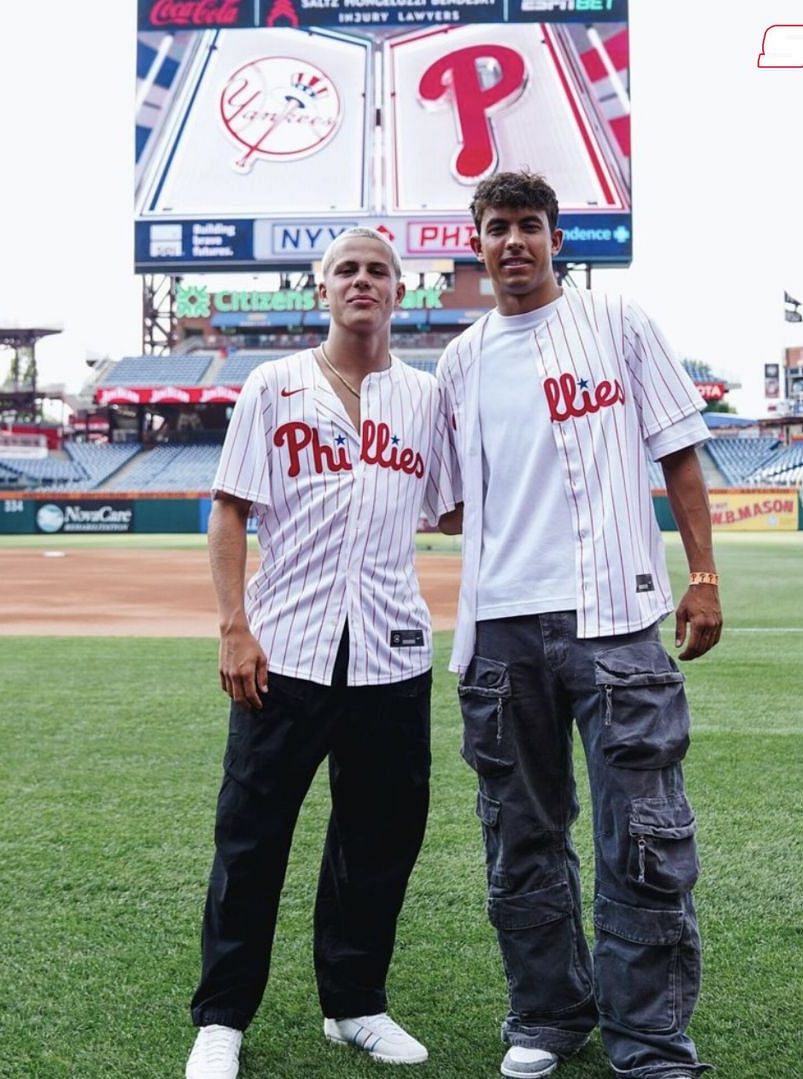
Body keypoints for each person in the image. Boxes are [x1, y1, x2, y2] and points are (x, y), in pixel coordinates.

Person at [433, 170, 719, 1079]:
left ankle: (649, 1037)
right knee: (519, 833)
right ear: (475, 245)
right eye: (495, 229)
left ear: (556, 237)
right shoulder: (460, 361)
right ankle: (548, 1014)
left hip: (616, 617)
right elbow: (445, 505)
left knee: (641, 831)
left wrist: (703, 574)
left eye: (528, 225)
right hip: (501, 633)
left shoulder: (619, 322)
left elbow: (678, 447)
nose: (512, 242)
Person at [186, 228, 451, 1078]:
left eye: (378, 270)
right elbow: (229, 509)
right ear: (322, 288)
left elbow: (451, 510)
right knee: (251, 841)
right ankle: (223, 1018)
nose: (362, 281)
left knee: (378, 840)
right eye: (348, 270)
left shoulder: (427, 396)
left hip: (391, 649)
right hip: (286, 648)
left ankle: (356, 1004)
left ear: (399, 291)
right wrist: (234, 623)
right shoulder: (274, 384)